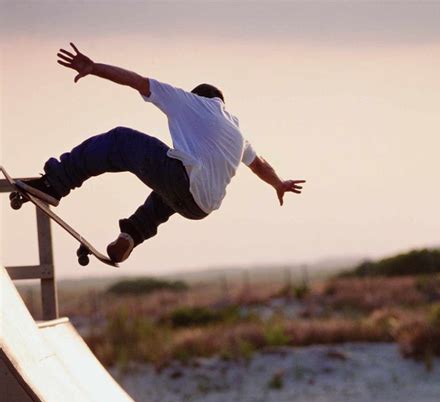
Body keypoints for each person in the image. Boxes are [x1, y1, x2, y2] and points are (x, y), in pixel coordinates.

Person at [24, 43, 306, 263]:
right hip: (200, 208)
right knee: (168, 189)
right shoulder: (236, 130)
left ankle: (55, 183)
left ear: (198, 96)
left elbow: (135, 80)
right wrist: (278, 184)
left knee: (120, 140)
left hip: (185, 183)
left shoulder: (189, 101)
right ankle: (132, 235)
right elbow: (260, 165)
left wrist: (94, 67)